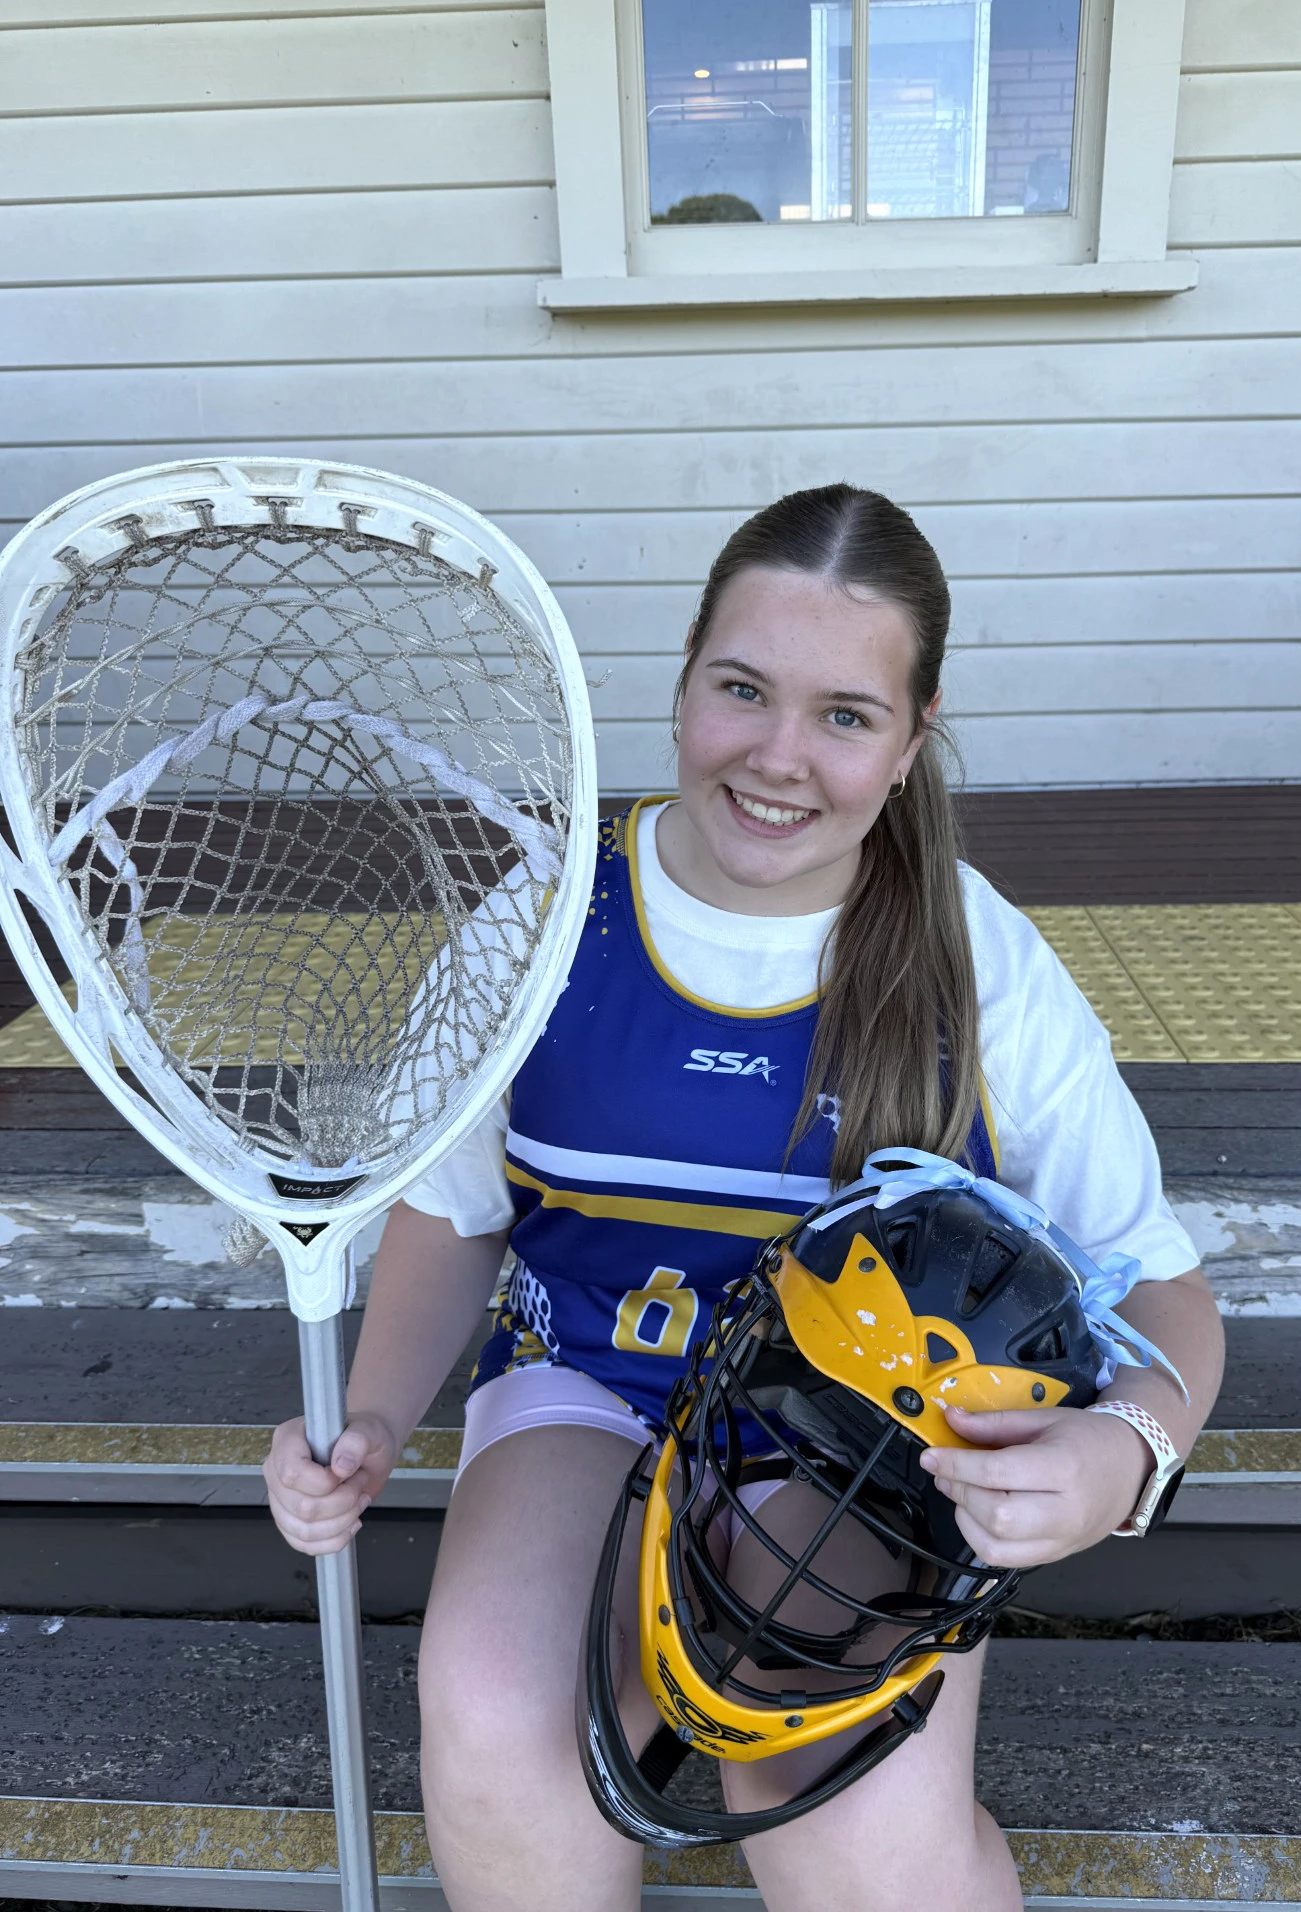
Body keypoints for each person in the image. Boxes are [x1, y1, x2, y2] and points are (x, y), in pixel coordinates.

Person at [264, 484, 1225, 1912]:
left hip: (855, 1428)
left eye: (846, 715)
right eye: (742, 689)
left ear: (910, 743)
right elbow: (454, 1210)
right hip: (587, 1377)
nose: (780, 757)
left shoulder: (977, 958)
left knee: (841, 1819)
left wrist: (1122, 1456)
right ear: (684, 682)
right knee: (496, 1721)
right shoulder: (539, 917)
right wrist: (378, 1417)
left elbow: (1159, 1294)